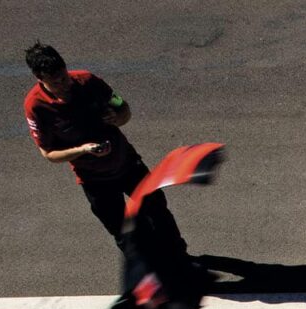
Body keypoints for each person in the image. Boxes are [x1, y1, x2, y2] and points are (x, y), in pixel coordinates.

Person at [23, 41, 186, 255]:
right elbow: (49, 154)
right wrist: (84, 150)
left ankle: (180, 257)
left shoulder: (88, 81)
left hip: (127, 163)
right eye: (56, 82)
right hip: (94, 180)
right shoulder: (35, 106)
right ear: (39, 79)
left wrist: (118, 118)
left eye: (64, 76)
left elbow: (123, 107)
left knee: (158, 211)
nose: (64, 84)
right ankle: (147, 272)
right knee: (123, 231)